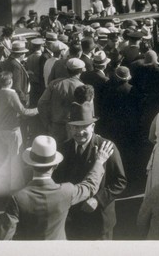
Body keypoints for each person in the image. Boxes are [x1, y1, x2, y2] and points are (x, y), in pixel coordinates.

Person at [0, 135, 115, 240]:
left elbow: (4, 238)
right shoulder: (66, 192)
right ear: (56, 165)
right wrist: (99, 161)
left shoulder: (17, 198)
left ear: (29, 164)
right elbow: (90, 186)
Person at [53, 101, 127, 240]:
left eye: (84, 127)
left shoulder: (107, 147)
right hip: (72, 221)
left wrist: (98, 199)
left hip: (99, 221)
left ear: (92, 126)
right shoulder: (63, 148)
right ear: (69, 127)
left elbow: (120, 181)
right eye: (75, 127)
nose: (79, 132)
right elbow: (57, 180)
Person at [0, 71, 39, 191]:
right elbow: (23, 111)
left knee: (12, 151)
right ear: (10, 82)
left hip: (1, 129)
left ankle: (2, 173)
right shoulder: (11, 94)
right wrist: (37, 109)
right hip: (13, 129)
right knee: (16, 158)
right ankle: (17, 186)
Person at [38, 58, 85, 143]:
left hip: (56, 126)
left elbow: (41, 104)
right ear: (81, 71)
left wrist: (47, 123)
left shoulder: (54, 84)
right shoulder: (82, 87)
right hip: (75, 128)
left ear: (67, 69)